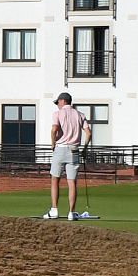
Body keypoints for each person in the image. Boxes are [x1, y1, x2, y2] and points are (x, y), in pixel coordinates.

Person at [46, 91, 89, 219]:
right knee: (72, 182)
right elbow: (89, 133)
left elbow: (54, 130)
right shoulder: (80, 114)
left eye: (58, 102)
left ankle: (54, 210)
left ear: (63, 101)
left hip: (60, 148)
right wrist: (85, 149)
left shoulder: (57, 114)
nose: (57, 105)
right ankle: (71, 212)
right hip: (74, 150)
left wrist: (53, 144)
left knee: (55, 179)